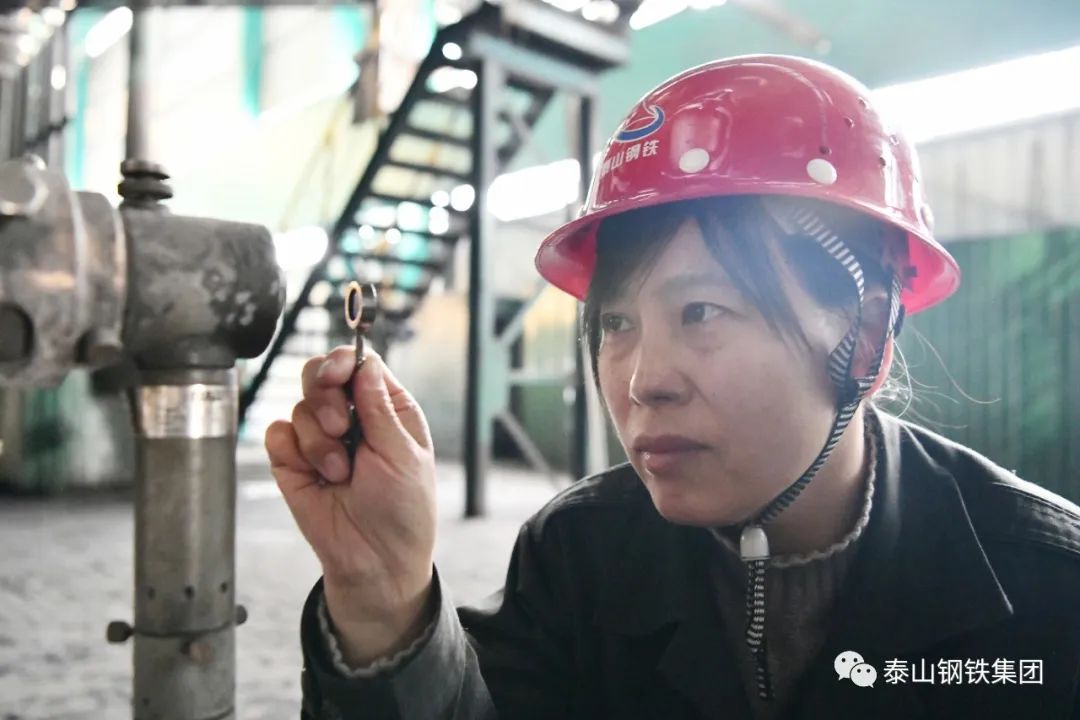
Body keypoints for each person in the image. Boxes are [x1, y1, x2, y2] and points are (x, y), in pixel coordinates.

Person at [264, 55, 1080, 720]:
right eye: (616, 323)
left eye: (702, 312)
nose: (643, 381)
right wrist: (384, 598)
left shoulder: (1048, 584)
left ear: (863, 339)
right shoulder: (577, 554)